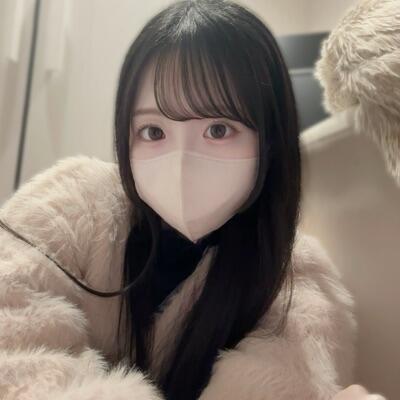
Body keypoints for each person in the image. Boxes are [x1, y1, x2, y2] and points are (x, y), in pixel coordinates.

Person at [0, 0, 378, 399]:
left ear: (270, 140)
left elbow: (285, 384)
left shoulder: (295, 281)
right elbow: (14, 353)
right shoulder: (67, 208)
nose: (181, 163)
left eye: (218, 129)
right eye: (153, 131)